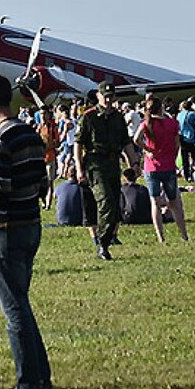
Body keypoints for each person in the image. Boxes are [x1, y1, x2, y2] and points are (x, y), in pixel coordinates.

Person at [0, 73, 53, 389]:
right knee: (22, 302)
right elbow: (42, 183)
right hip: (31, 224)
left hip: (4, 230)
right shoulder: (31, 134)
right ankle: (41, 376)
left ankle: (28, 382)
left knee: (14, 309)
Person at [74, 82, 139, 260]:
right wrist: (79, 169)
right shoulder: (88, 117)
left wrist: (133, 162)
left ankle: (106, 239)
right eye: (106, 97)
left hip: (112, 163)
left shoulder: (118, 117)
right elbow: (78, 144)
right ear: (99, 97)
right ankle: (102, 244)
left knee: (114, 203)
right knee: (106, 203)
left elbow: (126, 142)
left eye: (112, 96)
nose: (109, 100)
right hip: (95, 163)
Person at [134, 96, 187, 243]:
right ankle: (183, 234)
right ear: (161, 108)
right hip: (168, 165)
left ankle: (160, 236)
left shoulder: (146, 124)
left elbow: (135, 139)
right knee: (174, 202)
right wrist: (174, 158)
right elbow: (177, 144)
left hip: (152, 166)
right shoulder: (172, 123)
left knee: (155, 202)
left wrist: (147, 150)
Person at [36, 108, 60, 210]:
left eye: (44, 114)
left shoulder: (52, 127)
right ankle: (43, 200)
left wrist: (50, 145)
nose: (42, 116)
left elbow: (57, 142)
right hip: (40, 158)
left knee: (50, 182)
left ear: (48, 115)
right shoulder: (38, 127)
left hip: (50, 157)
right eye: (41, 114)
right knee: (40, 182)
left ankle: (48, 204)